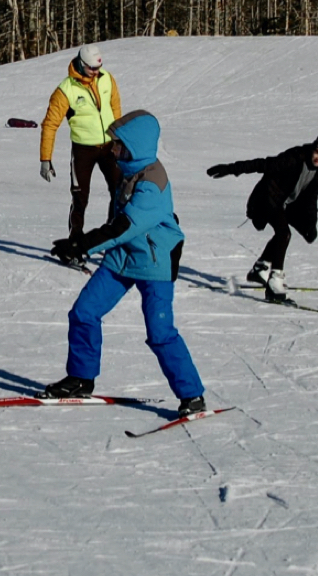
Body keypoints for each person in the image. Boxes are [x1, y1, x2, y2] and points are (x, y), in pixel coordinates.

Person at [43, 111, 206, 415]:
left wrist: (81, 245)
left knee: (160, 332)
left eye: (119, 145)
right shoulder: (129, 171)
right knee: (84, 312)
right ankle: (81, 378)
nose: (113, 150)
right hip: (123, 256)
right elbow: (117, 227)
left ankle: (192, 396)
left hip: (155, 261)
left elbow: (125, 226)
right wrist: (83, 245)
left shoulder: (152, 183)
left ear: (137, 146)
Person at [206, 126, 318, 302]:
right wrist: (230, 169)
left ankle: (260, 268)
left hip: (285, 205)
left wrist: (311, 224)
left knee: (285, 234)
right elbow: (264, 164)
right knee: (284, 233)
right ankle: (275, 281)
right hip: (266, 199)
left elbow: (311, 199)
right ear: (314, 147)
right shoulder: (295, 156)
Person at [39, 44, 122, 259]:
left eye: (99, 68)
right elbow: (50, 124)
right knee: (80, 199)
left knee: (119, 192)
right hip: (83, 151)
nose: (96, 73)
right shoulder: (65, 90)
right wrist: (45, 158)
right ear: (82, 64)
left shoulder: (107, 79)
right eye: (92, 69)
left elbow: (116, 110)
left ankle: (113, 239)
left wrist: (121, 141)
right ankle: (74, 245)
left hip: (109, 148)